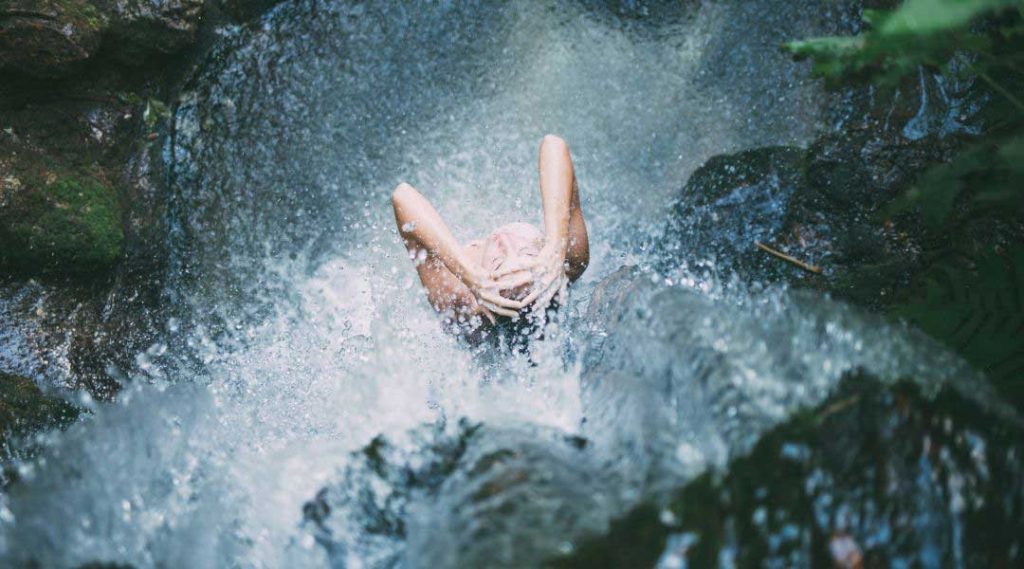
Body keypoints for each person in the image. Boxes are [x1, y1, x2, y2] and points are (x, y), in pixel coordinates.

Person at [391, 134, 589, 334]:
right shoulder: (567, 263)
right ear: (547, 260)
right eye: (527, 254)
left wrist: (467, 273)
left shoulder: (461, 300)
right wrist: (556, 243)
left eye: (497, 264)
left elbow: (402, 195)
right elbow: (553, 144)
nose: (505, 243)